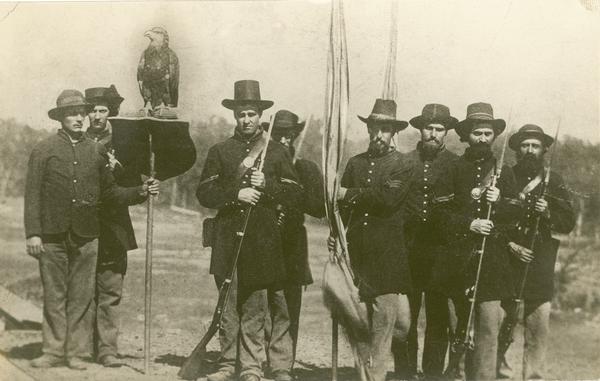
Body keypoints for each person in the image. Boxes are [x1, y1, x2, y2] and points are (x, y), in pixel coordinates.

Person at [24, 89, 159, 370]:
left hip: (87, 236)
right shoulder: (44, 150)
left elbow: (110, 193)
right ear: (60, 118)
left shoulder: (95, 150)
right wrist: (33, 233)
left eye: (81, 113)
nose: (78, 118)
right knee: (54, 294)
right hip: (51, 236)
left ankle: (76, 353)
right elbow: (32, 194)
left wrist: (140, 191)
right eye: (71, 113)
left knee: (82, 296)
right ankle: (52, 350)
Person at [196, 80, 303, 381]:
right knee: (228, 305)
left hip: (262, 239)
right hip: (227, 236)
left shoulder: (276, 152)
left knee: (256, 305)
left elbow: (295, 194)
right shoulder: (220, 151)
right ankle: (228, 364)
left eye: (252, 114)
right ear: (235, 116)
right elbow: (204, 192)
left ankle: (252, 367)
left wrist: (266, 186)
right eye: (242, 114)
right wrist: (236, 194)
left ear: (260, 116)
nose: (246, 120)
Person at [431, 102, 518, 380]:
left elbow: (516, 217)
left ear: (494, 137)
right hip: (457, 263)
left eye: (487, 134)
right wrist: (469, 224)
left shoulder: (506, 172)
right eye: (477, 133)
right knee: (458, 330)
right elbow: (439, 214)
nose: (482, 139)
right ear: (466, 135)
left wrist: (500, 201)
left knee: (488, 331)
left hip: (492, 265)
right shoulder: (452, 169)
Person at [329, 98, 413, 381]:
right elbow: (342, 210)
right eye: (374, 128)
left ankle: (375, 377)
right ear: (368, 130)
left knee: (384, 329)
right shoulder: (355, 163)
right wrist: (336, 236)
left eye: (385, 129)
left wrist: (348, 194)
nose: (378, 135)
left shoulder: (403, 164)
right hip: (358, 256)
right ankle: (363, 376)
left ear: (393, 132)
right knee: (360, 325)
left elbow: (388, 199)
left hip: (388, 258)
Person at [496, 124, 575, 379]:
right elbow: (494, 218)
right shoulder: (505, 176)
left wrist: (548, 212)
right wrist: (511, 245)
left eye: (535, 145)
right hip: (508, 261)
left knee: (537, 330)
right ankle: (502, 375)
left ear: (543, 150)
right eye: (525, 145)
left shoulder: (555, 181)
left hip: (539, 265)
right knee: (503, 327)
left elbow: (568, 223)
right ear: (517, 149)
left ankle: (534, 377)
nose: (530, 150)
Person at [84, 85, 155, 367]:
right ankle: (80, 346)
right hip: (82, 226)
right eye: (92, 110)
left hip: (113, 226)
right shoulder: (77, 142)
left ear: (110, 113)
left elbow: (133, 189)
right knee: (82, 289)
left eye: (102, 110)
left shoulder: (124, 145)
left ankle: (106, 349)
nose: (97, 116)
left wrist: (144, 188)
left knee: (110, 290)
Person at [393, 104, 459, 380]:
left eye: (439, 129)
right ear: (420, 129)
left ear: (446, 133)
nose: (432, 134)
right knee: (404, 319)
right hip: (407, 252)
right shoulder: (403, 162)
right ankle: (405, 373)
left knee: (438, 319)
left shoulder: (457, 165)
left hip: (441, 255)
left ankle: (432, 374)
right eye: (428, 128)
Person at [261, 110, 325, 380]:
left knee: (287, 306)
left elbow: (319, 208)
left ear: (296, 136)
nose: (285, 140)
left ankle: (281, 365)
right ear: (270, 136)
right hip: (262, 242)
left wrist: (299, 189)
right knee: (261, 305)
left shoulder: (305, 168)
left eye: (289, 135)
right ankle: (256, 360)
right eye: (278, 135)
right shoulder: (261, 164)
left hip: (292, 245)